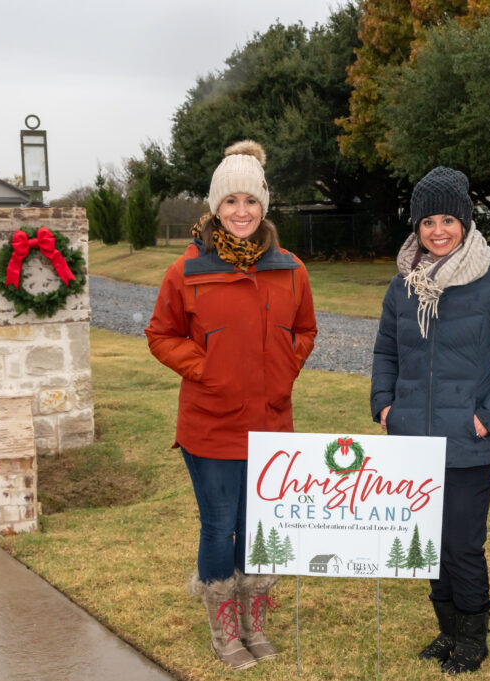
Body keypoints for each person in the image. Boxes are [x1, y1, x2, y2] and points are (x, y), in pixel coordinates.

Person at [146, 140, 317, 670]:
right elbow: (161, 335)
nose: (241, 211)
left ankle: (253, 621)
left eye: (250, 200)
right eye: (230, 201)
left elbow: (306, 330)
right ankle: (223, 629)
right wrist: (206, 368)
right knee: (221, 527)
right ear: (215, 207)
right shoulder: (187, 270)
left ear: (264, 206)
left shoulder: (290, 269)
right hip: (211, 427)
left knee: (260, 525)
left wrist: (286, 365)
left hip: (270, 425)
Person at [370, 166, 490, 674]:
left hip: (467, 442)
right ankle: (446, 631)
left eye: (447, 219)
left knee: (462, 544)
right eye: (427, 222)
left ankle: (472, 635)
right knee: (427, 540)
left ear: (464, 222)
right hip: (412, 442)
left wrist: (488, 417)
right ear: (416, 227)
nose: (437, 230)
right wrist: (384, 405)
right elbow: (385, 351)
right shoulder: (404, 287)